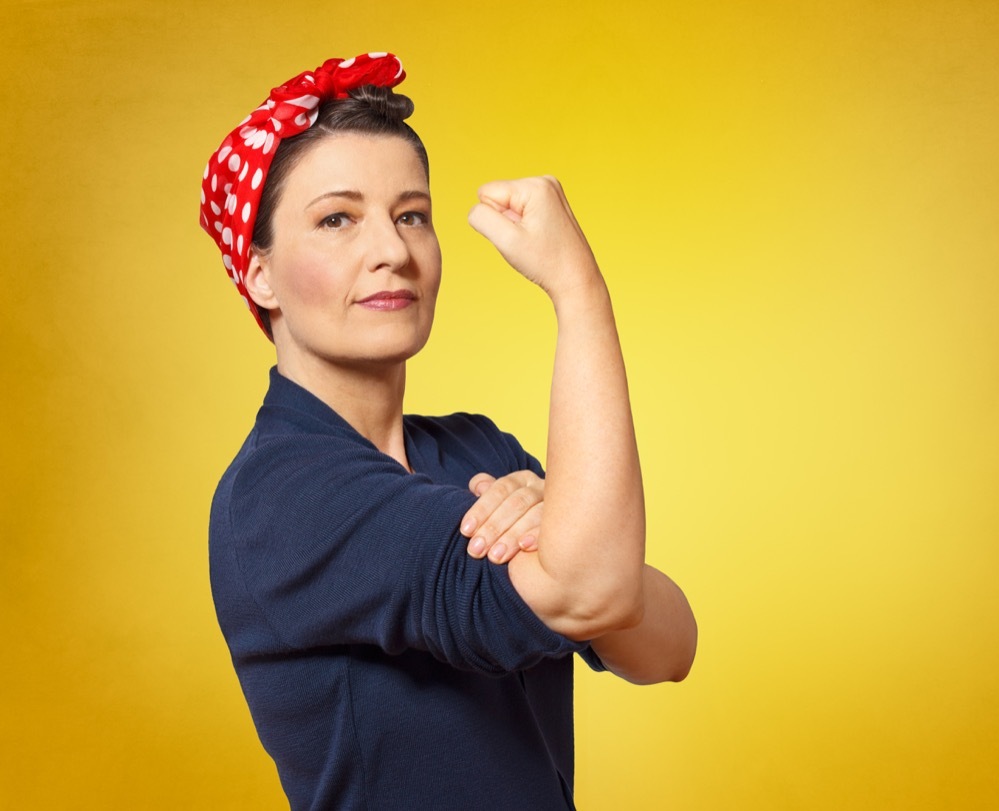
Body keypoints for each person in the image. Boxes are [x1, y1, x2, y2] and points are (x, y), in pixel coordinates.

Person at [200, 52, 697, 810]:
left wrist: (559, 523)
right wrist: (577, 287)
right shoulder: (282, 497)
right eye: (337, 218)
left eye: (411, 215)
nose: (393, 252)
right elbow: (593, 589)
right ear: (258, 273)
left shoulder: (477, 450)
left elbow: (668, 646)